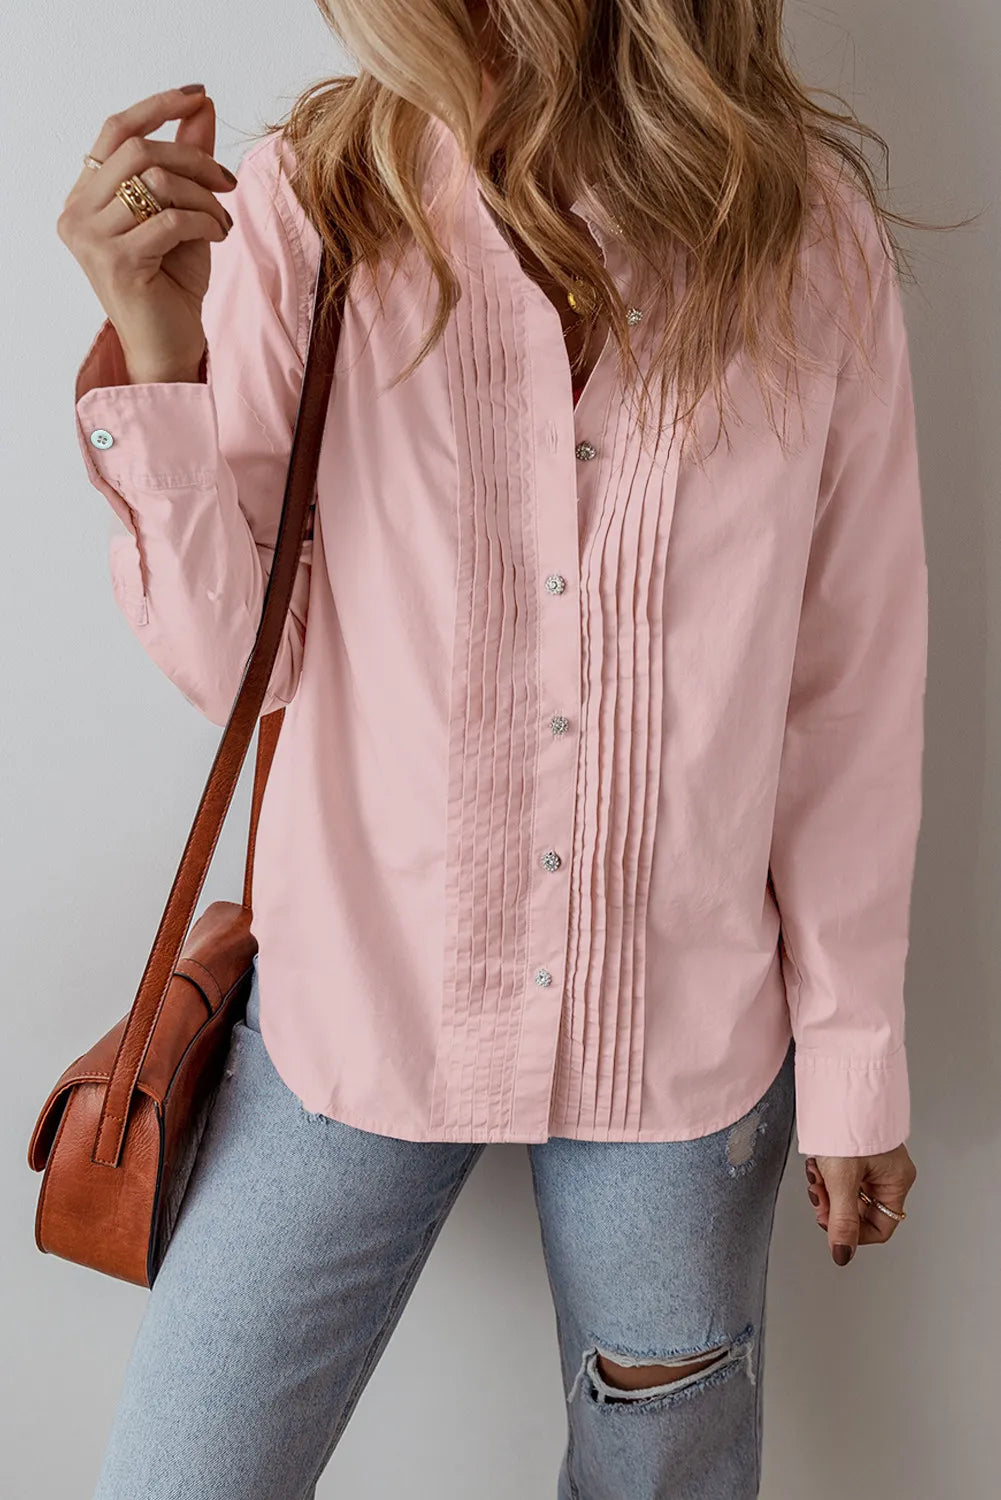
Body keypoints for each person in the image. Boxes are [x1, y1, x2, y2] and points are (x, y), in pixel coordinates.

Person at [59, 2, 928, 1495]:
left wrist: (856, 1065)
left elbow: (845, 692)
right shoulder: (313, 200)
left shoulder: (804, 236)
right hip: (349, 1015)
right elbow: (236, 670)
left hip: (674, 1045)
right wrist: (158, 336)